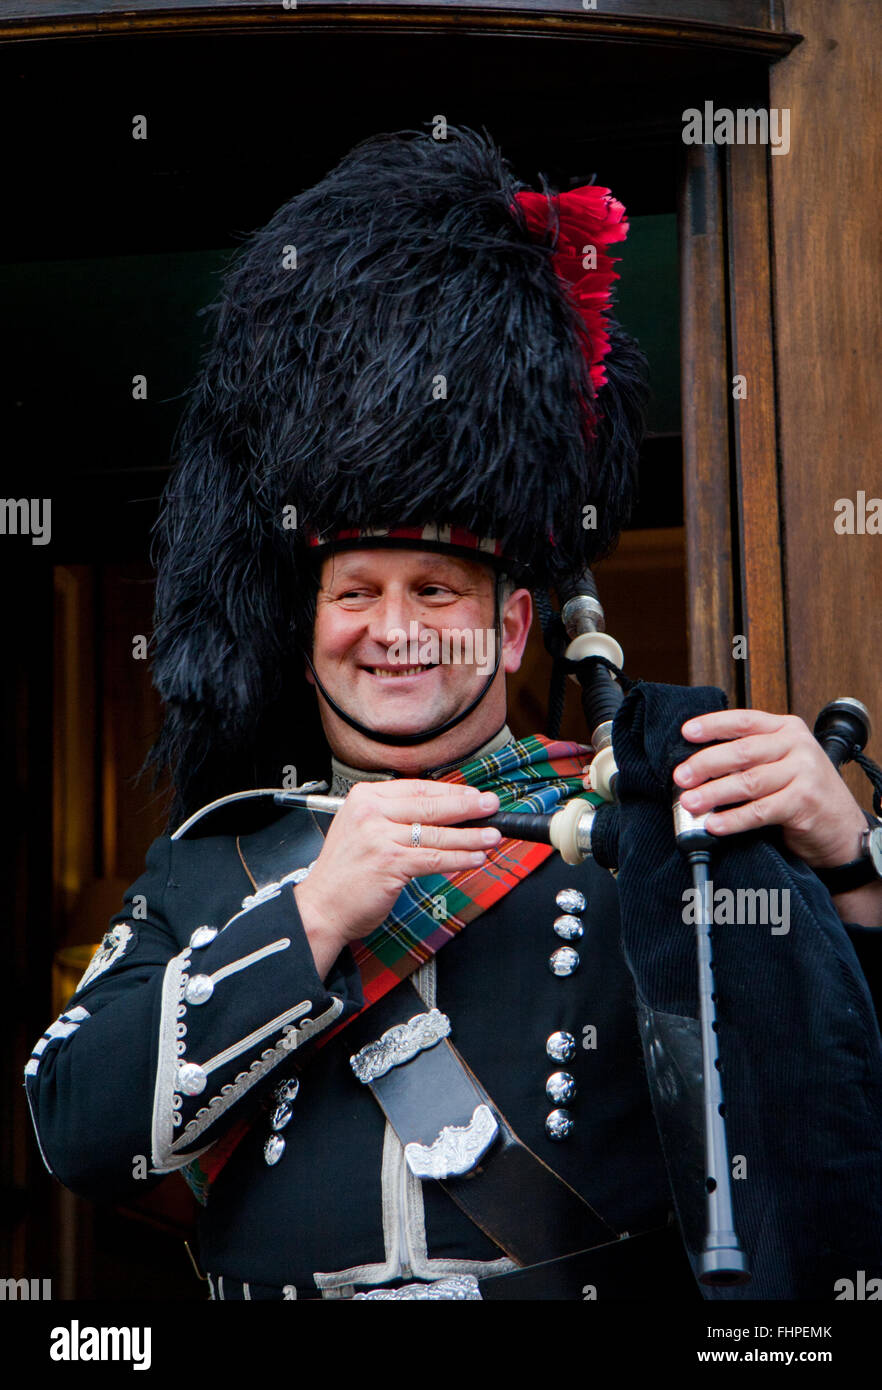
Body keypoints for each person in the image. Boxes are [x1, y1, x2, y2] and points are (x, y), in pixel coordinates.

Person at [26, 127, 882, 1301]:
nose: (396, 627)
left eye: (437, 590)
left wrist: (852, 864)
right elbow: (74, 1126)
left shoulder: (649, 822)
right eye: (357, 593)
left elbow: (833, 1114)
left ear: (517, 626)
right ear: (307, 622)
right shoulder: (215, 861)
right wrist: (316, 912)